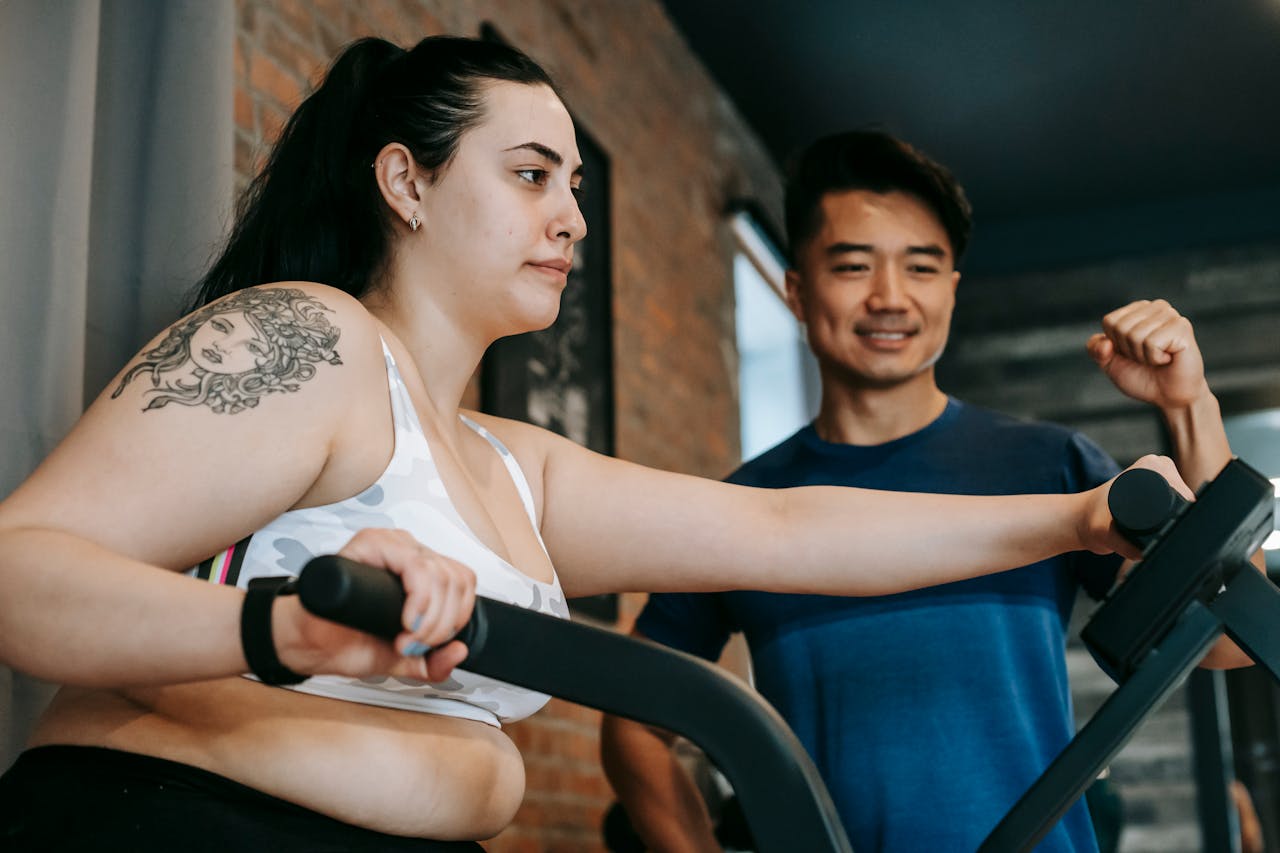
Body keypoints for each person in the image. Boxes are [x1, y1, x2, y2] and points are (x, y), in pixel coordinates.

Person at [0, 38, 1177, 851]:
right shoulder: (310, 338)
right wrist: (276, 627)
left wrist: (1072, 517)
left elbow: (782, 525)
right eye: (529, 176)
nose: (570, 216)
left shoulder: (515, 463)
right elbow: (21, 568)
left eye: (571, 181)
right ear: (405, 182)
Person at [600, 131, 1248, 852]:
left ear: (950, 289)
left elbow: (1227, 642)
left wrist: (1189, 407)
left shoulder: (1049, 466)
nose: (890, 298)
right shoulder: (749, 507)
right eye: (852, 265)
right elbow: (635, 717)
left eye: (921, 267)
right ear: (796, 289)